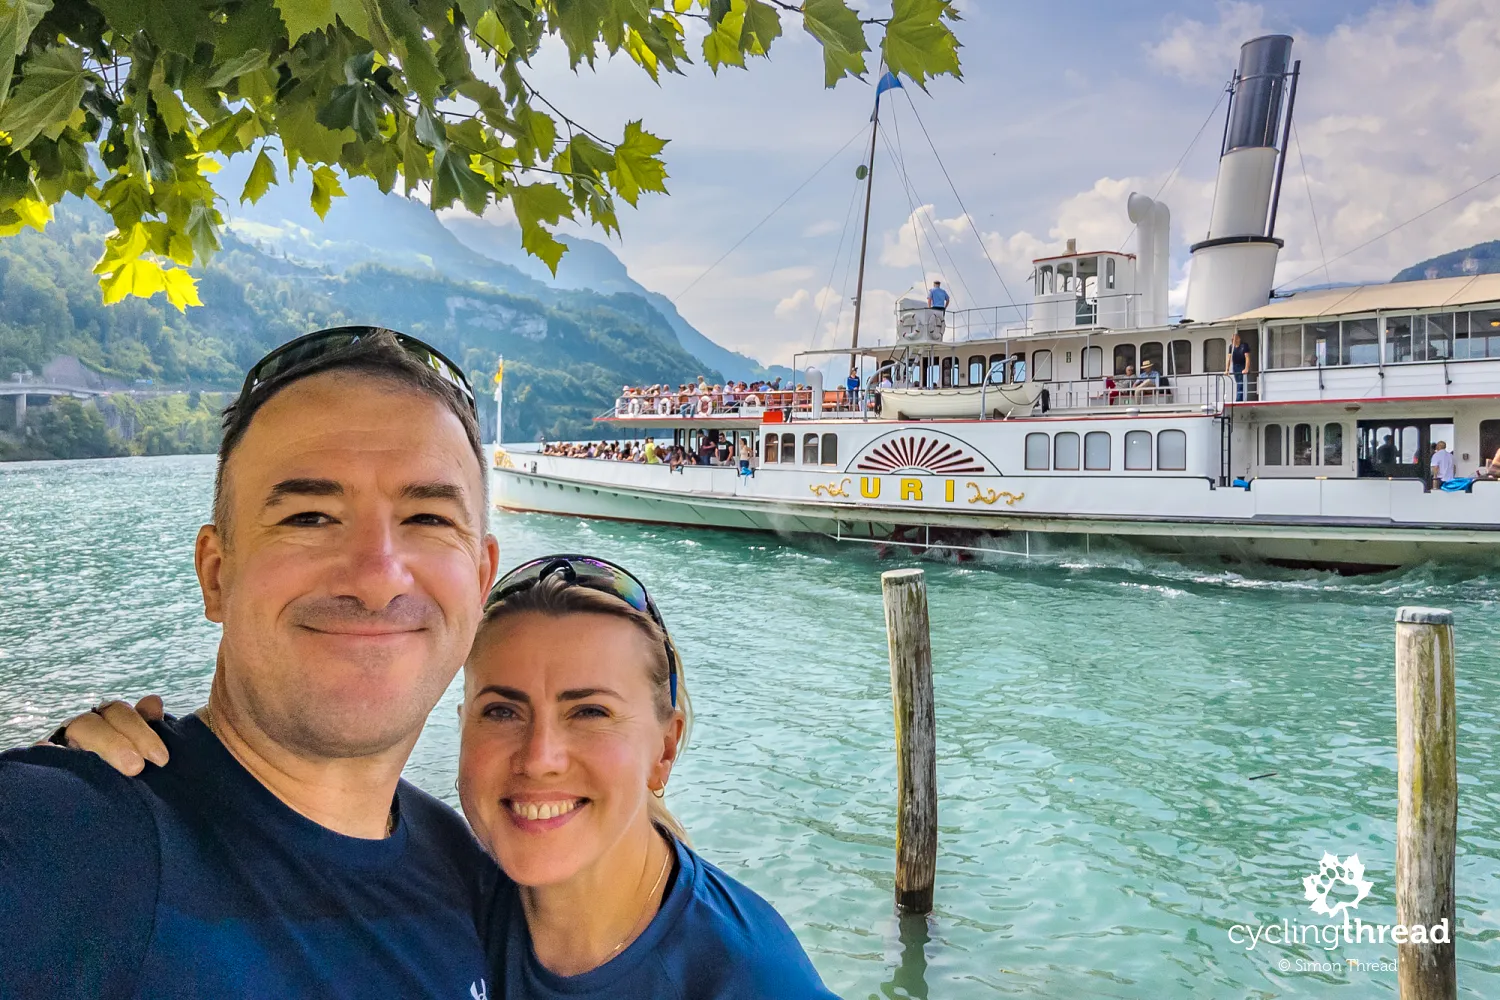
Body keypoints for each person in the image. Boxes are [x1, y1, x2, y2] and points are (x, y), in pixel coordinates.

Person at [48, 556, 843, 998]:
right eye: (501, 710)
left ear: (665, 750)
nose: (539, 756)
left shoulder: (747, 977)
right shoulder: (438, 871)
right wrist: (109, 781)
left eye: (590, 712)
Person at [0, 327, 503, 999]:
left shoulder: (470, 874)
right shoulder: (72, 839)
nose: (378, 579)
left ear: (481, 579)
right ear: (216, 574)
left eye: (428, 518)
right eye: (310, 516)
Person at [1226, 331, 1252, 402]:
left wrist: (1246, 368)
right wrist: (1227, 370)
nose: (1233, 341)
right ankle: (1239, 398)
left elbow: (1247, 357)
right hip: (1235, 366)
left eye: (1234, 339)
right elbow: (1229, 358)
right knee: (1238, 382)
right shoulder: (1231, 347)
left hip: (1242, 365)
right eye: (1232, 340)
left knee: (1241, 383)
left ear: (1239, 339)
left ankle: (1239, 400)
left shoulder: (1244, 346)